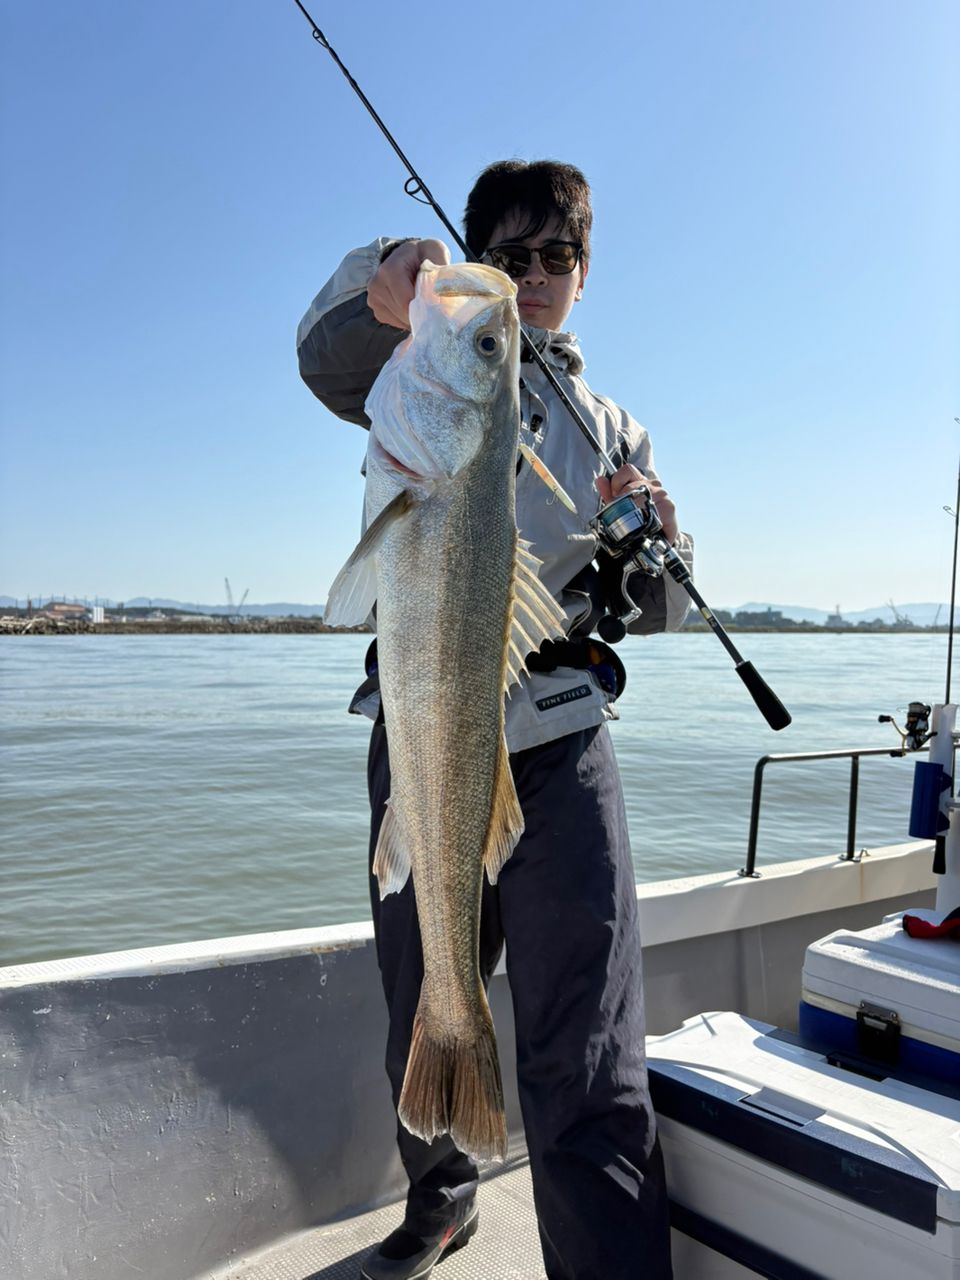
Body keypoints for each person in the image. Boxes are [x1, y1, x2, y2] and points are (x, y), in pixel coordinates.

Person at [297, 160, 693, 1280]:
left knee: (588, 1043)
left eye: (552, 257)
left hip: (560, 739)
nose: (526, 278)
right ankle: (443, 1195)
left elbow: (656, 603)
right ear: (472, 264)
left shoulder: (614, 429)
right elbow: (321, 352)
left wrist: (656, 541)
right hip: (422, 721)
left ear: (582, 272)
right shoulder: (415, 357)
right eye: (505, 256)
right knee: (421, 993)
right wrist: (381, 277)